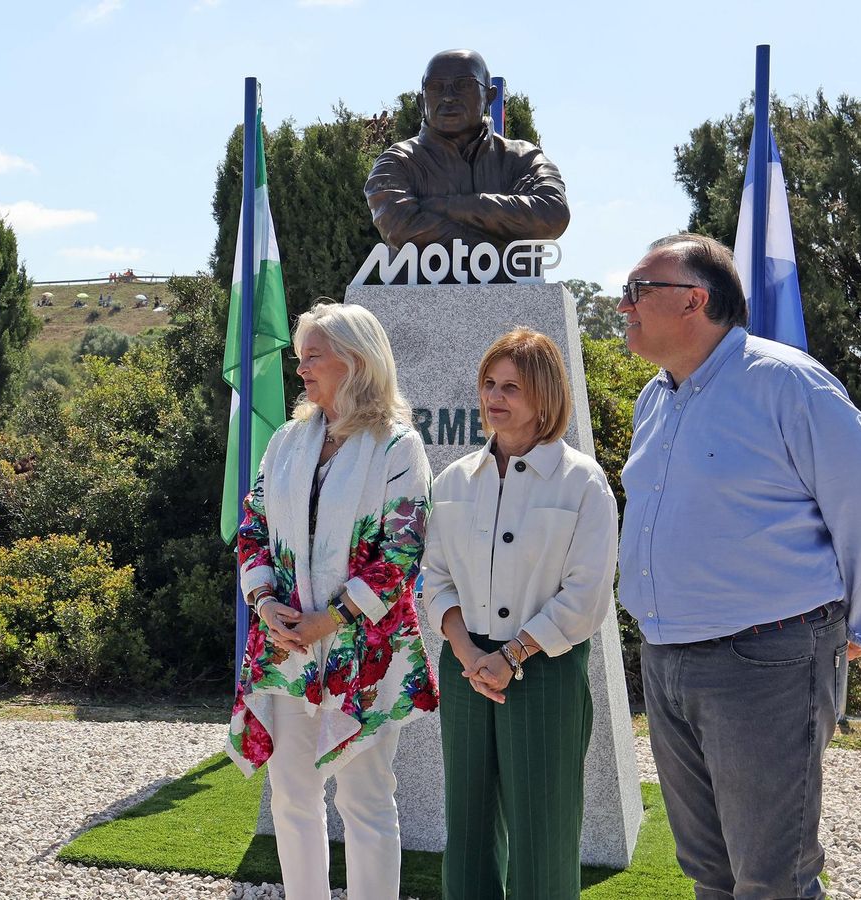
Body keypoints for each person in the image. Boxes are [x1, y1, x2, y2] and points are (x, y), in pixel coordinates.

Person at [618, 234, 861, 899]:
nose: (623, 306)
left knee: (772, 879)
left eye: (638, 291)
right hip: (668, 659)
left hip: (765, 660)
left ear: (694, 300)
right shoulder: (654, 399)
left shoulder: (786, 382)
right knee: (710, 873)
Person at [227, 302, 436, 900]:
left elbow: (402, 550)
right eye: (301, 356)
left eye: (313, 355)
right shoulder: (288, 442)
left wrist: (332, 619)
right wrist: (265, 601)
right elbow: (252, 528)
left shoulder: (398, 446)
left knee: (366, 798)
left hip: (364, 654)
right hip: (289, 647)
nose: (302, 367)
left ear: (356, 359)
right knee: (292, 794)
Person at [421, 328, 618, 898]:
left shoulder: (583, 482)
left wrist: (510, 656)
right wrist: (466, 652)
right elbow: (435, 578)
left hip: (544, 670)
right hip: (464, 670)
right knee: (467, 828)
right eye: (489, 383)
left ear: (545, 398)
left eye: (511, 386)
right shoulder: (454, 480)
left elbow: (586, 596)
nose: (495, 396)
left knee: (544, 834)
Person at [364, 49, 569, 254]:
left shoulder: (524, 158)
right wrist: (501, 240)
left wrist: (444, 206)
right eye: (436, 87)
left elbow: (554, 215)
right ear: (421, 102)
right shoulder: (396, 162)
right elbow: (400, 226)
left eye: (464, 85)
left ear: (489, 96)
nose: (448, 97)